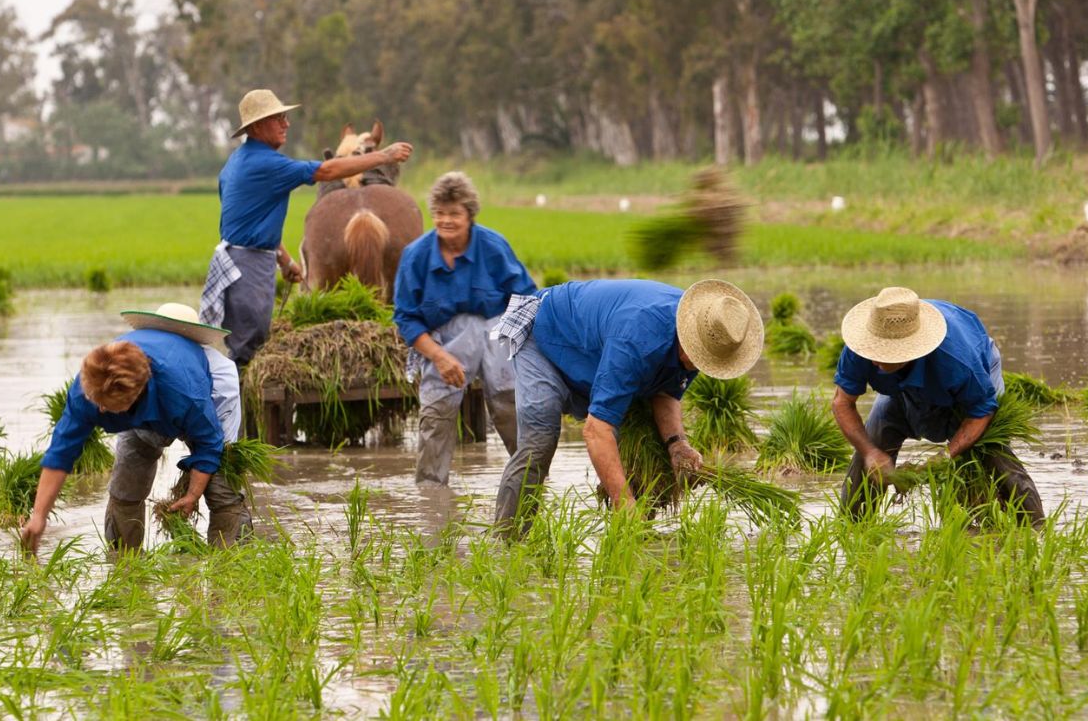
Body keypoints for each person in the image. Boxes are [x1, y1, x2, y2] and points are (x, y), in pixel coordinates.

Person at [492, 278, 764, 534]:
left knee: (642, 439)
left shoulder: (710, 335)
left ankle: (637, 534)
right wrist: (625, 505)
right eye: (699, 357)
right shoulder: (638, 339)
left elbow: (665, 392)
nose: (699, 366)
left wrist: (677, 443)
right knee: (539, 441)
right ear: (688, 336)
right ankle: (509, 539)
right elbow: (596, 431)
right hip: (546, 337)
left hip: (596, 353)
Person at [199, 88, 414, 366]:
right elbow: (325, 171)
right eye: (278, 119)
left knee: (248, 345)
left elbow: (247, 221)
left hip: (247, 261)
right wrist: (384, 156)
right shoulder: (266, 163)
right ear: (256, 127)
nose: (286, 124)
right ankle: (241, 408)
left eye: (285, 117)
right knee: (248, 350)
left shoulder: (235, 163)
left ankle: (244, 406)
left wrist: (286, 260)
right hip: (249, 269)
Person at [20, 304, 250, 553]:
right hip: (150, 406)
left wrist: (192, 494)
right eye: (98, 403)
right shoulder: (89, 391)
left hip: (197, 397)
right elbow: (60, 454)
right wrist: (39, 516)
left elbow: (208, 444)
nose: (101, 412)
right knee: (126, 483)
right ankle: (125, 564)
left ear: (137, 393)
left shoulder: (186, 392)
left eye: (108, 405)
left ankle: (231, 563)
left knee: (221, 486)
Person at [831, 286, 1044, 523]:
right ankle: (851, 527)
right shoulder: (862, 347)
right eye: (876, 348)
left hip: (972, 374)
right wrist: (870, 452)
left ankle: (1035, 528)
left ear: (908, 352)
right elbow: (842, 403)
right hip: (900, 388)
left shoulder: (956, 361)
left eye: (886, 353)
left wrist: (946, 455)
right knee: (873, 441)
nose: (874, 359)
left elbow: (981, 411)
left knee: (991, 453)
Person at [394, 171, 536, 484]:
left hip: (496, 335)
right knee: (436, 413)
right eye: (439, 214)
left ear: (469, 215)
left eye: (455, 213)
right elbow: (406, 317)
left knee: (510, 404)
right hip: (443, 342)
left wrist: (522, 356)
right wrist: (439, 357)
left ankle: (529, 481)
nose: (446, 221)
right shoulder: (416, 256)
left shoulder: (493, 247)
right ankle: (431, 495)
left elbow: (526, 300)